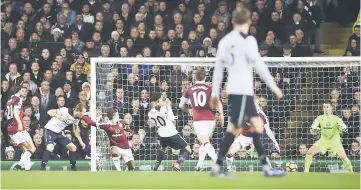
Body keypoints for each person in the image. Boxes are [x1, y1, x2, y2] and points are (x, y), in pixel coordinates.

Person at [210, 8, 284, 177]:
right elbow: (260, 66)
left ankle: (220, 166)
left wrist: (215, 94)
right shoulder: (249, 41)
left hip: (234, 92)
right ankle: (263, 169)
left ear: (233, 22)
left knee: (253, 126)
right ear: (249, 22)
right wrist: (274, 87)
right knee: (238, 129)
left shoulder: (225, 41)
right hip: (244, 91)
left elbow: (218, 70)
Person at [179, 67, 224, 171]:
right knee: (204, 142)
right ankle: (199, 165)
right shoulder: (210, 88)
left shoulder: (188, 90)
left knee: (205, 142)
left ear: (194, 77)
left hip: (199, 119)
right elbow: (218, 103)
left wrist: (188, 110)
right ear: (206, 77)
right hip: (211, 119)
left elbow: (181, 105)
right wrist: (221, 114)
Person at [226, 96, 280, 171]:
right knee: (230, 153)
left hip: (256, 137)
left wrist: (275, 143)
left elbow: (268, 130)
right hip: (243, 137)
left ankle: (270, 170)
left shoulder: (262, 115)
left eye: (255, 103)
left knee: (263, 156)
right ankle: (229, 169)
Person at [304, 101, 353, 173]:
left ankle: (351, 172)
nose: (325, 108)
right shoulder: (319, 118)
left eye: (327, 107)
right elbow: (312, 129)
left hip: (335, 142)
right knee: (309, 153)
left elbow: (345, 129)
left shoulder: (337, 118)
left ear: (331, 108)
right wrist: (315, 130)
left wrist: (341, 128)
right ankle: (306, 172)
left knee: (343, 157)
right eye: (324, 107)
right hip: (323, 141)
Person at [150, 92, 192, 171]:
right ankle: (177, 163)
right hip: (172, 133)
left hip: (162, 134)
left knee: (162, 149)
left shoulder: (150, 113)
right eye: (161, 99)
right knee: (188, 149)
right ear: (158, 100)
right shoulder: (163, 108)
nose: (163, 100)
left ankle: (155, 168)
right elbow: (172, 118)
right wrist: (168, 106)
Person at [41, 99, 84, 171]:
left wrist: (81, 142)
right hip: (49, 130)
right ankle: (42, 168)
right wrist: (59, 116)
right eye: (83, 112)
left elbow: (76, 131)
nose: (83, 114)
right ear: (78, 111)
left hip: (58, 132)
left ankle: (73, 168)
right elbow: (49, 112)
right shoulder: (64, 110)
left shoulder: (76, 119)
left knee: (73, 147)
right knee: (50, 148)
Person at [6, 86, 36, 171]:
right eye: (23, 90)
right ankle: (18, 166)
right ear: (18, 91)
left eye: (26, 91)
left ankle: (27, 169)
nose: (25, 92)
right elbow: (16, 112)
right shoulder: (18, 99)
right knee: (32, 149)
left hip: (10, 127)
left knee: (25, 150)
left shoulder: (9, 101)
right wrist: (19, 123)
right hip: (16, 126)